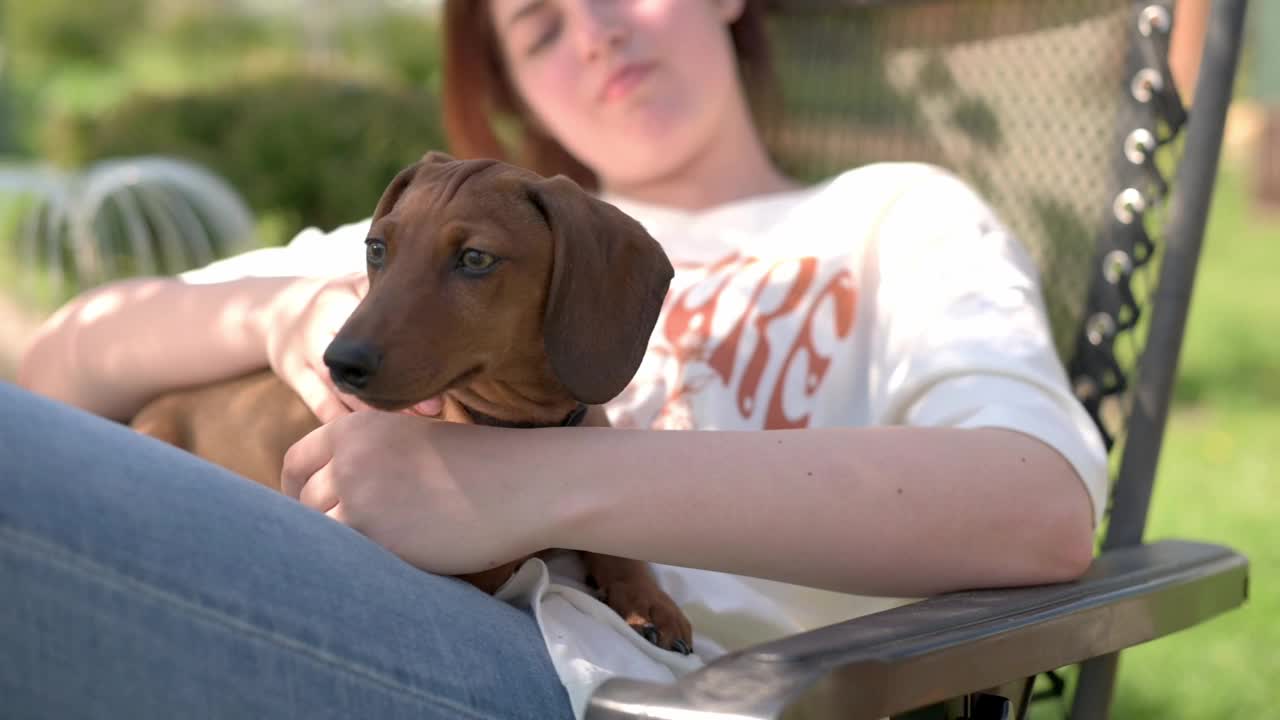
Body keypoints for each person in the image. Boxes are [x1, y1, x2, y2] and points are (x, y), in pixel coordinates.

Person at [5, 1, 1107, 718]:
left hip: (619, 690)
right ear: (514, 84)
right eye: (536, 27)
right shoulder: (451, 230)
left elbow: (1039, 509)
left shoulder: (891, 219)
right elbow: (58, 372)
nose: (593, 34)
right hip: (361, 619)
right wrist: (279, 314)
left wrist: (530, 484)